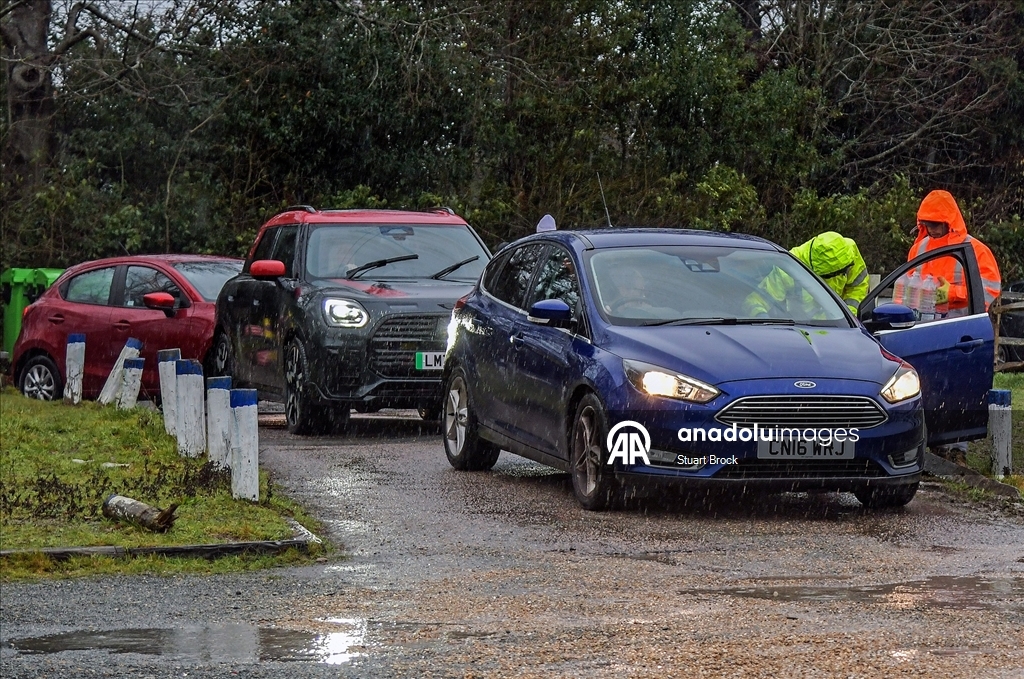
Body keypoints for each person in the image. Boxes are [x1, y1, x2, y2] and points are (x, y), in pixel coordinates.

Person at [908, 190, 1001, 316]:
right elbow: (907, 290)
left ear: (948, 222)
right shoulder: (918, 249)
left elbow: (989, 291)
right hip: (922, 325)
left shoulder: (976, 250)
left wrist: (952, 293)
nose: (930, 229)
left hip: (962, 327)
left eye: (935, 224)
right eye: (927, 224)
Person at [746, 231, 869, 316]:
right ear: (818, 272)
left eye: (843, 271)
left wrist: (849, 313)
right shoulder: (789, 267)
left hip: (839, 330)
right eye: (833, 275)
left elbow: (858, 285)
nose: (842, 275)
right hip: (804, 333)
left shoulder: (849, 252)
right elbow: (755, 301)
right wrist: (763, 318)